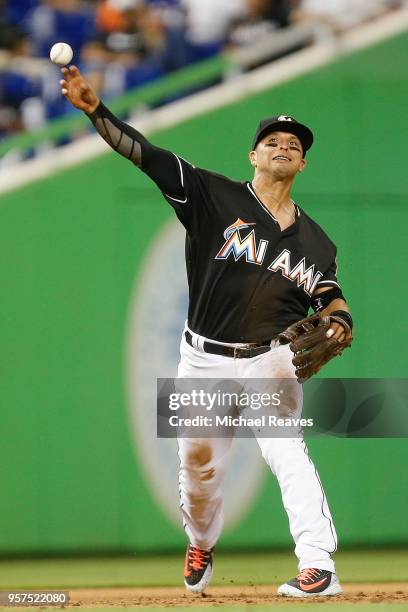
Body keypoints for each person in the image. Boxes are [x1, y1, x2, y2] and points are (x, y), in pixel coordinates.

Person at [60, 65, 352, 598]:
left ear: (303, 162)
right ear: (254, 155)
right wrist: (95, 111)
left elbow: (328, 292)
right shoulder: (211, 195)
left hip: (271, 361)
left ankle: (318, 564)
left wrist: (340, 315)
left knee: (288, 451)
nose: (282, 146)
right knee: (198, 470)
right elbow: (143, 153)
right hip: (203, 359)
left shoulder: (318, 241)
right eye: (271, 140)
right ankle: (200, 540)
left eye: (293, 143)